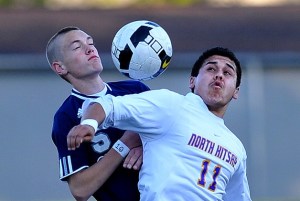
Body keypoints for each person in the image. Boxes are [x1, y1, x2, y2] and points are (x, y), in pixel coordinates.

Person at [67, 47, 252, 201]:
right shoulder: (170, 105)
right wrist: (89, 123)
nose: (219, 75)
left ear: (236, 91)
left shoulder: (236, 147)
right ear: (192, 81)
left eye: (227, 72)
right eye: (211, 69)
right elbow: (106, 104)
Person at [46, 26, 150, 201]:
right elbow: (80, 189)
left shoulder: (135, 89)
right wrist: (124, 145)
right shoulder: (66, 116)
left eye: (90, 42)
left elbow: (171, 132)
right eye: (77, 47)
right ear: (60, 67)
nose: (90, 48)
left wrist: (145, 143)